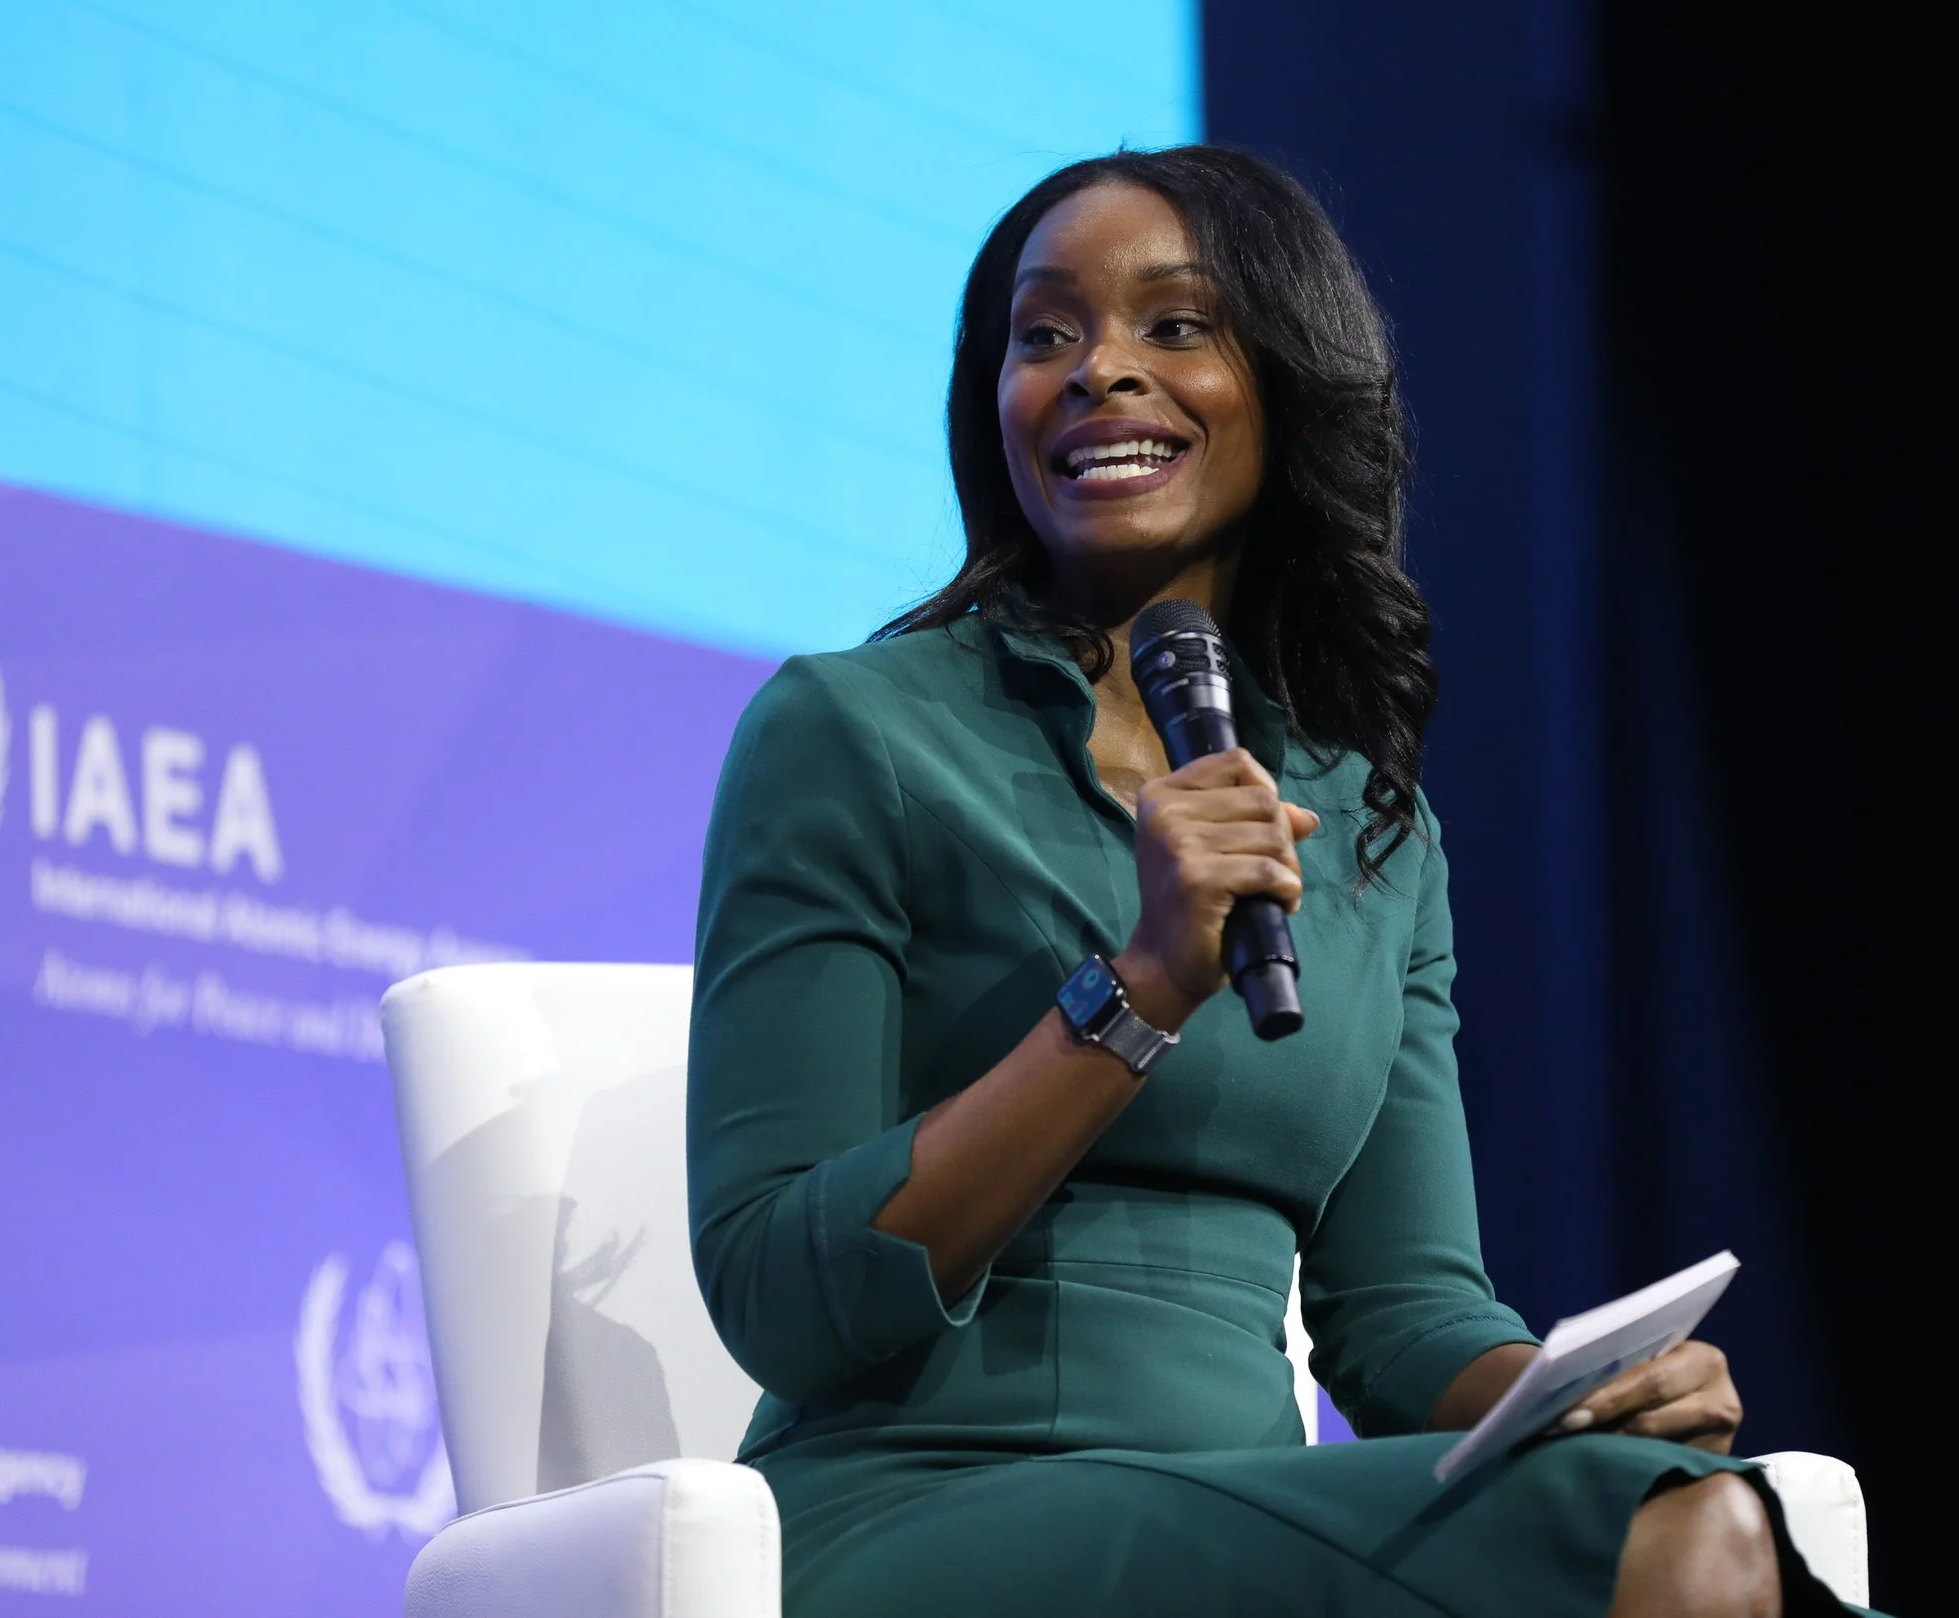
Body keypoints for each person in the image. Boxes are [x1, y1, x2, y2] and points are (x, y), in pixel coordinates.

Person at [689, 145, 1874, 1617]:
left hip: (1244, 1510)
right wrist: (1140, 988)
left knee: (1668, 1505)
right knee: (1682, 1550)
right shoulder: (855, 735)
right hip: (919, 1504)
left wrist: (1575, 1399)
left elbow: (1405, 1319)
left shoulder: (1368, 827)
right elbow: (778, 1292)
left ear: (1288, 383)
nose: (1099, 371)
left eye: (1174, 326)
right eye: (1044, 334)